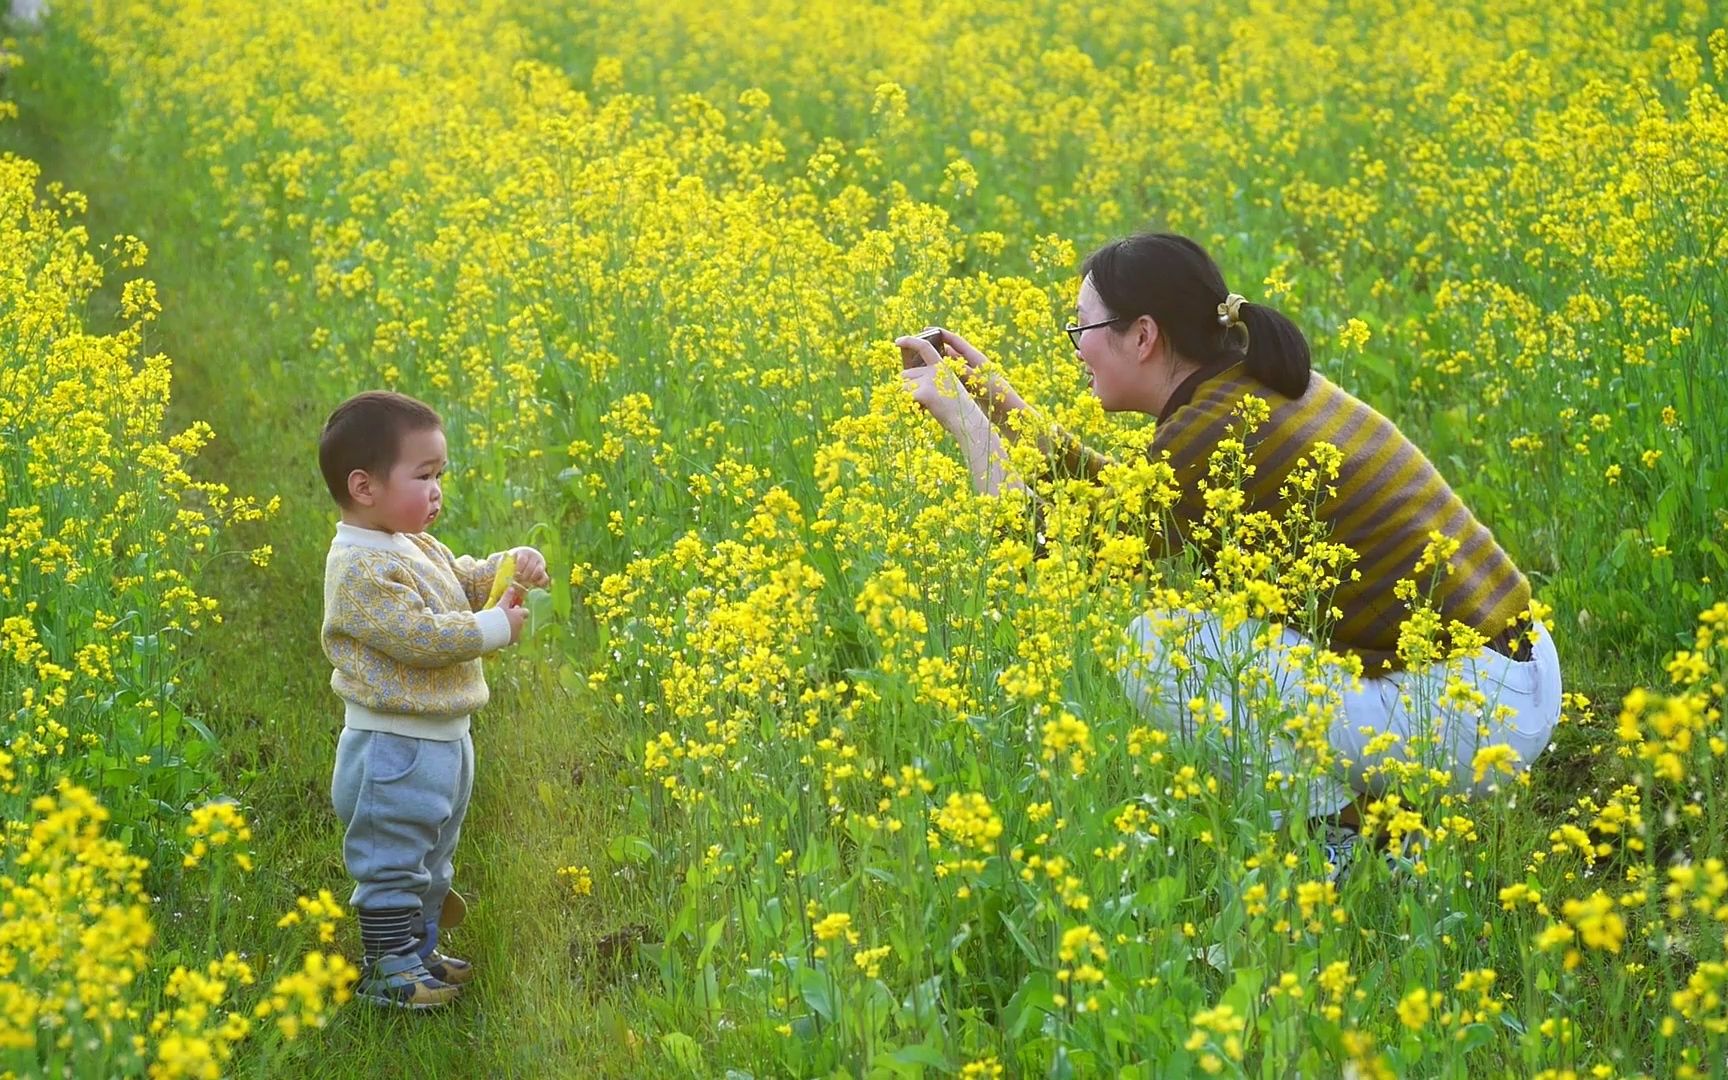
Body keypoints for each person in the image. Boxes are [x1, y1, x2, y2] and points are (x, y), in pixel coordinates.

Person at [898, 231, 1561, 869]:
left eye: (1083, 329)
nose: (1077, 350)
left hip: (1474, 715)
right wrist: (998, 402)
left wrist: (964, 422)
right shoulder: (1249, 386)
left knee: (1156, 649)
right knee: (1222, 642)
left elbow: (1053, 555)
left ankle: (1351, 848)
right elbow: (1130, 500)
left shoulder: (1216, 431)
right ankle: (1370, 819)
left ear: (1145, 335)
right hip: (1509, 678)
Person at [318, 390, 550, 1008]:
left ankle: (419, 954)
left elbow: (461, 580)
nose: (437, 490)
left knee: (432, 856)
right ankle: (387, 969)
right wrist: (495, 627)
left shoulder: (411, 543)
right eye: (424, 476)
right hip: (392, 747)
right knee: (393, 859)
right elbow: (418, 637)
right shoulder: (359, 568)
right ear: (364, 487)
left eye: (439, 475)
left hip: (442, 740)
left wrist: (509, 566)